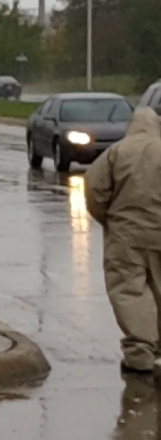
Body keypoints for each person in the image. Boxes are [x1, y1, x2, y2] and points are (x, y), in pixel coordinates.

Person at [87, 106, 161, 374]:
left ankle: (140, 353)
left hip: (125, 234)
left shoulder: (117, 152)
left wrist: (107, 218)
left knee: (130, 290)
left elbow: (95, 188)